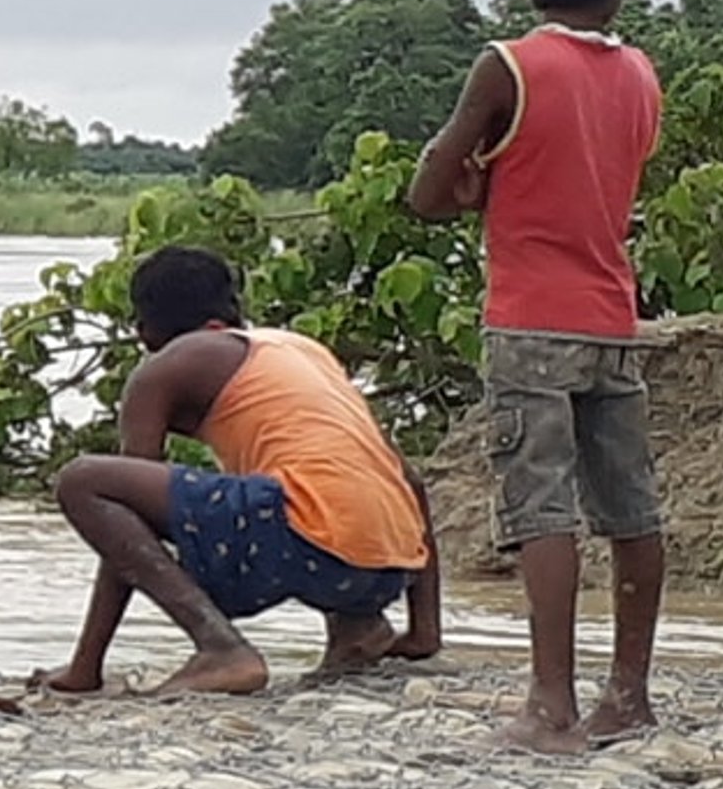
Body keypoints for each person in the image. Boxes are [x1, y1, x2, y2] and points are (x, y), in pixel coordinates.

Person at [411, 0, 670, 749]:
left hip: (528, 318)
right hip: (610, 315)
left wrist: (476, 183)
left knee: (542, 508)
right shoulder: (639, 74)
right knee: (631, 507)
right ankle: (628, 696)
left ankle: (550, 705)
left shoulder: (508, 66)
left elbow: (428, 191)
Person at [36, 244, 442, 696]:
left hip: (310, 543)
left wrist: (84, 670)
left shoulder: (166, 367)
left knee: (84, 480)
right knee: (307, 488)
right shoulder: (301, 350)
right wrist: (425, 629)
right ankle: (359, 631)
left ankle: (221, 650)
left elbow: (125, 517)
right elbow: (410, 480)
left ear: (144, 331)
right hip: (387, 566)